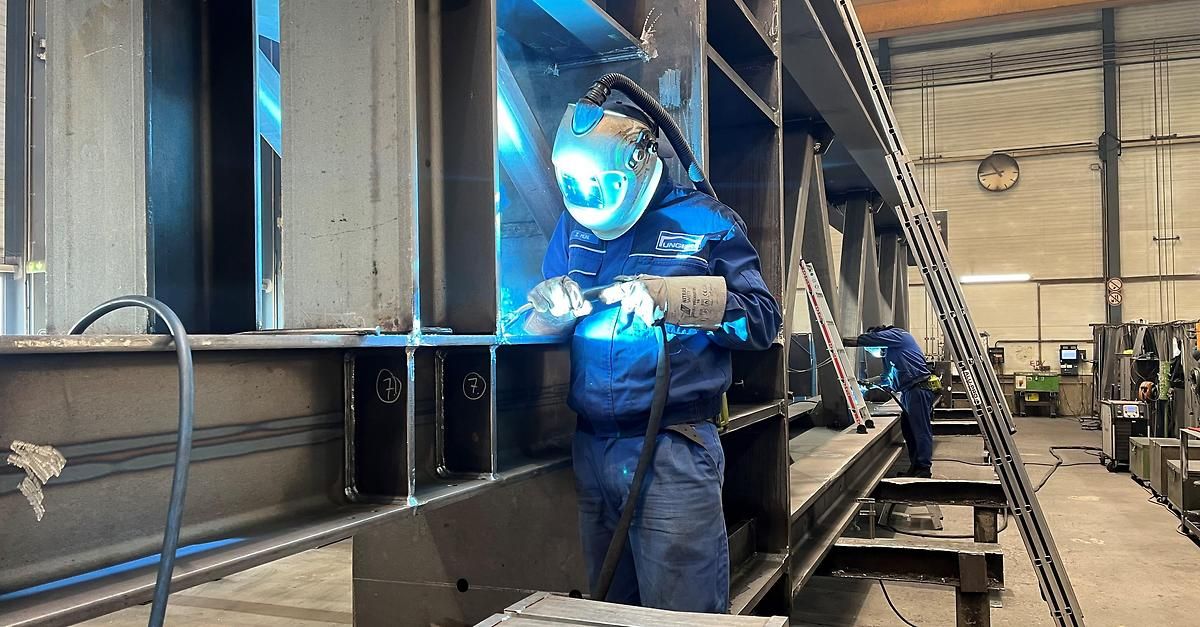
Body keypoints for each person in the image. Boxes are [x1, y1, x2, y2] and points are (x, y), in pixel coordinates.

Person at [523, 100, 781, 612]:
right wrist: (548, 306)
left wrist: (677, 299)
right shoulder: (576, 223)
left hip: (672, 447)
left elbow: (761, 319)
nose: (585, 196)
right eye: (574, 184)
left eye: (598, 184)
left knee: (680, 617)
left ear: (639, 161)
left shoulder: (707, 221)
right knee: (611, 614)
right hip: (593, 449)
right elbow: (541, 315)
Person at [844, 325, 937, 478]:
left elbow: (871, 339)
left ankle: (924, 468)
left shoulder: (898, 335)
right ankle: (915, 467)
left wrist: (843, 341)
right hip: (908, 392)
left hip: (918, 389)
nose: (873, 350)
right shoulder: (889, 352)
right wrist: (867, 384)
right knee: (909, 431)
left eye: (872, 346)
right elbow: (886, 378)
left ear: (879, 336)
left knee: (920, 430)